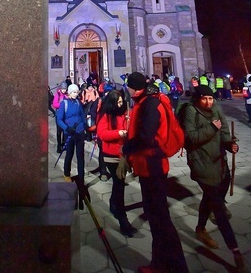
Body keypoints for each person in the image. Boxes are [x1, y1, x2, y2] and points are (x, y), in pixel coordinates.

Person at [122, 71, 189, 273]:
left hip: (153, 166)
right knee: (155, 216)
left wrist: (127, 148)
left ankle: (176, 266)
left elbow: (147, 136)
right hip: (147, 165)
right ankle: (160, 263)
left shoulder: (150, 104)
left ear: (133, 87)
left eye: (128, 86)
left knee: (160, 218)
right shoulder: (146, 100)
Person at [181, 85, 247, 272]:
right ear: (198, 99)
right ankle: (236, 251)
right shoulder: (191, 111)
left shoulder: (216, 109)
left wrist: (229, 144)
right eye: (205, 99)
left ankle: (200, 229)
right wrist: (211, 127)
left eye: (211, 99)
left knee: (210, 198)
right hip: (201, 162)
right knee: (218, 207)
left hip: (220, 163)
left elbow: (224, 131)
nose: (209, 102)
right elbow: (191, 137)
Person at [97, 88, 137, 237]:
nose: (120, 105)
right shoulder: (105, 115)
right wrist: (118, 133)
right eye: (118, 103)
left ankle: (114, 204)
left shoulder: (126, 112)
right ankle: (122, 218)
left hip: (123, 154)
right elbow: (102, 134)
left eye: (122, 102)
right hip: (111, 155)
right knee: (120, 184)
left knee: (118, 182)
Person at [56, 83, 86, 182]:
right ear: (69, 92)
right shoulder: (64, 103)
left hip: (79, 131)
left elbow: (82, 115)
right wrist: (67, 128)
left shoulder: (78, 102)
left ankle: (81, 176)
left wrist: (85, 125)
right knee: (69, 153)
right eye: (74, 92)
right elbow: (59, 119)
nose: (75, 94)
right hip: (69, 133)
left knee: (80, 155)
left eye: (77, 92)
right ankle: (67, 173)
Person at [53, 81, 68, 153]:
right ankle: (59, 146)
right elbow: (54, 104)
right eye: (63, 89)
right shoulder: (57, 95)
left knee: (65, 130)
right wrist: (62, 105)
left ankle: (64, 144)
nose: (64, 90)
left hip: (65, 115)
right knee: (59, 131)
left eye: (65, 89)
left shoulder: (66, 95)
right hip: (59, 114)